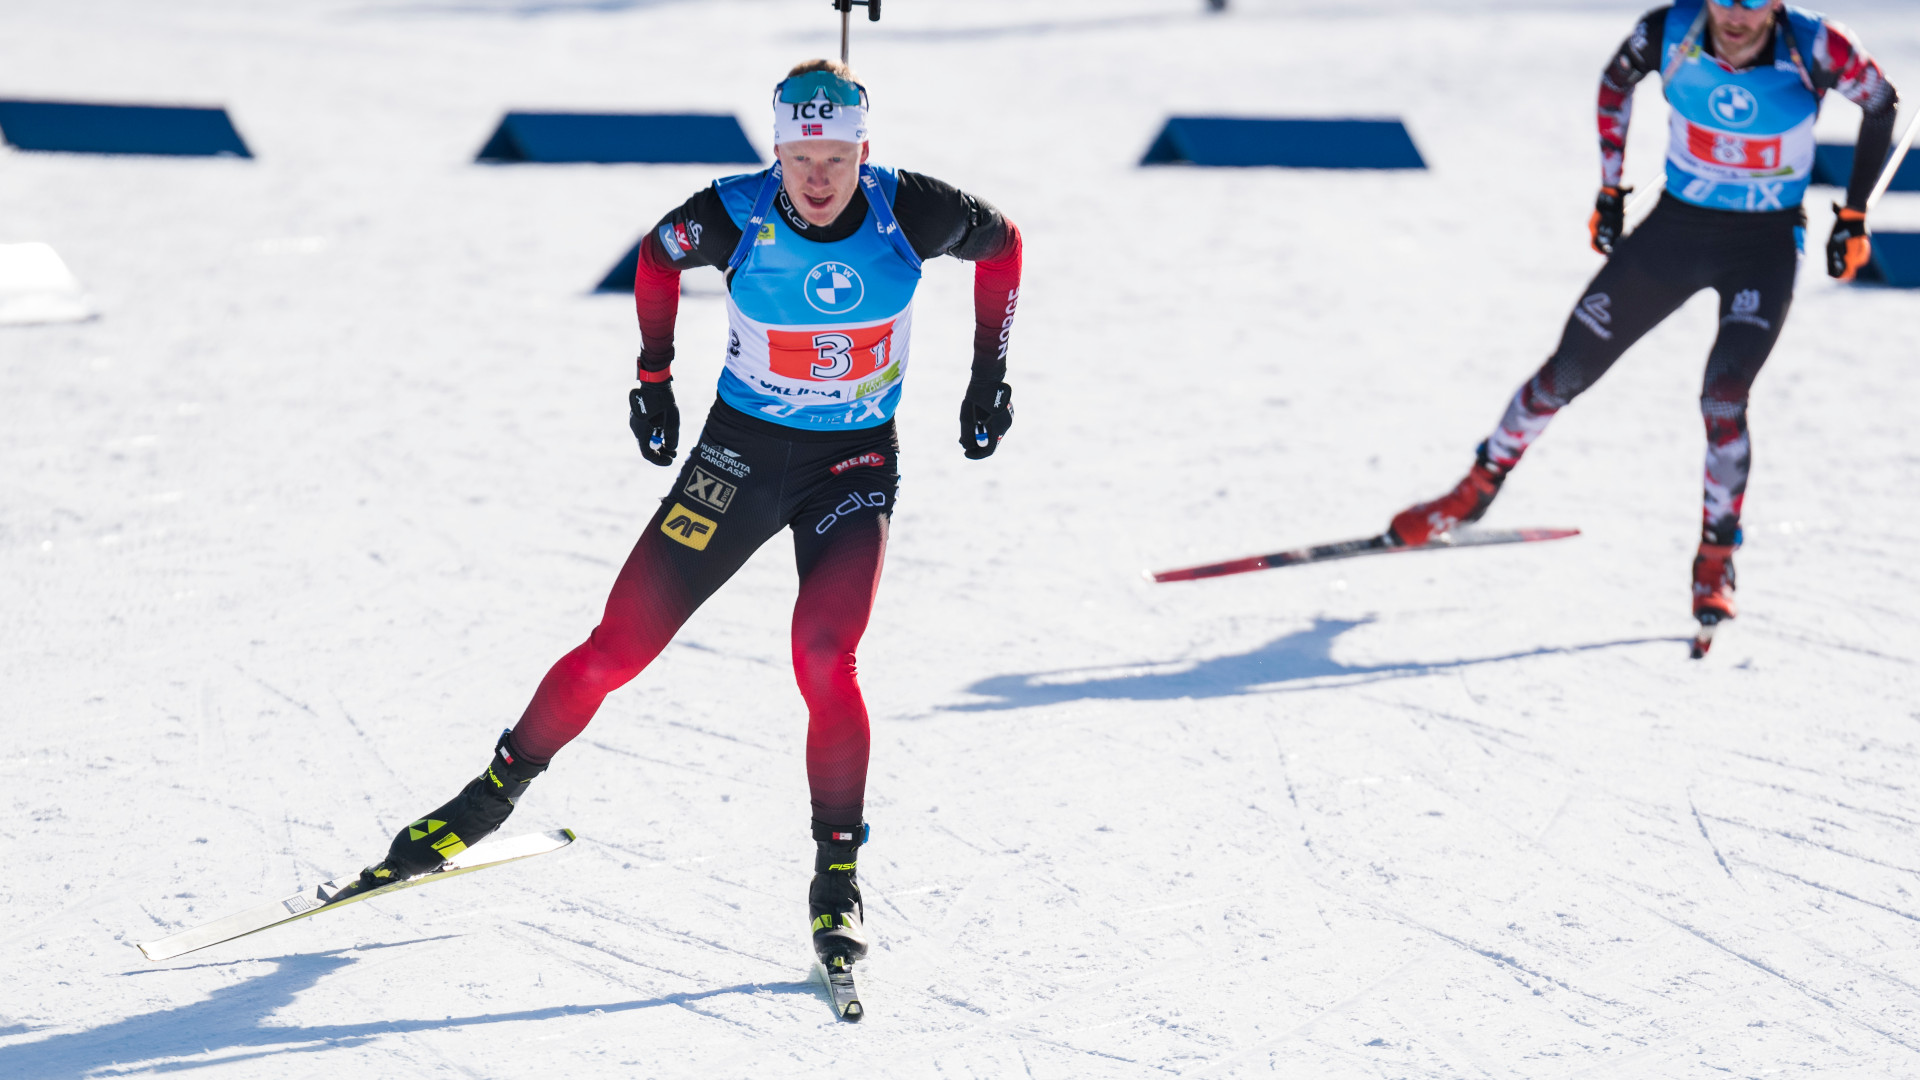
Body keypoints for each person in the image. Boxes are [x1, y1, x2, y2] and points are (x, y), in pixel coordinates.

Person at [352, 60, 1023, 978]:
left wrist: (991, 374)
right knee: (616, 648)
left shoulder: (911, 209)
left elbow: (1007, 244)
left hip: (854, 465)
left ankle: (836, 877)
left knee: (826, 658)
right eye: (799, 155)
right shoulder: (733, 211)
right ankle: (484, 802)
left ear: (863, 149)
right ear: (776, 149)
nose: (817, 177)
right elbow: (658, 256)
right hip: (738, 458)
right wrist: (653, 376)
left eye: (835, 155)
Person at [1386, 0, 1895, 647]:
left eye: (1753, 2)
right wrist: (1609, 188)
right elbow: (1615, 83)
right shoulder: (1669, 32)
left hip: (1763, 246)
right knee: (1565, 372)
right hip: (1677, 232)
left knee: (1724, 397)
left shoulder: (1815, 47)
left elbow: (1882, 103)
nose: (1735, 17)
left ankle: (1715, 558)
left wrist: (1853, 216)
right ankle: (1473, 490)